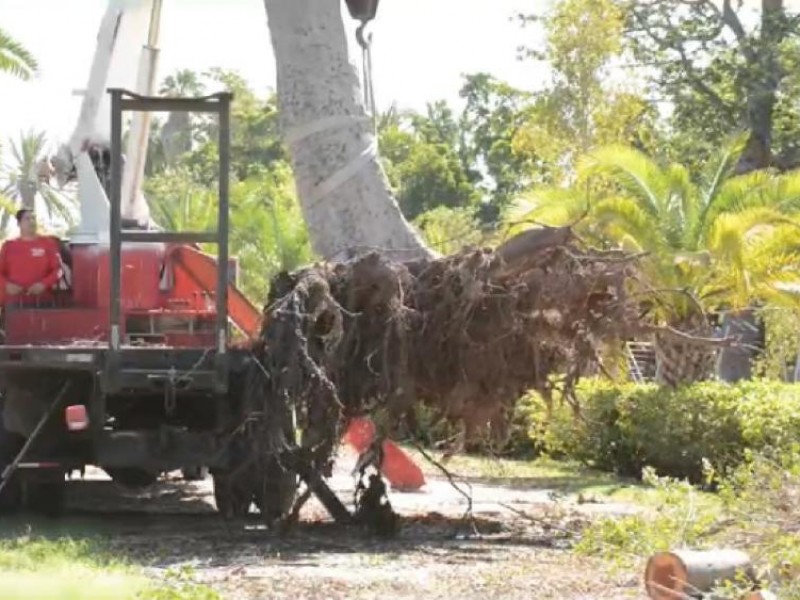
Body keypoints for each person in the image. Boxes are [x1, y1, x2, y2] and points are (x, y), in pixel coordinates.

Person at [0, 209, 62, 306]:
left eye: (34, 218)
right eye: (27, 219)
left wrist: (44, 284)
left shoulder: (48, 243)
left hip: (42, 301)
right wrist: (6, 285)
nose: (31, 221)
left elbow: (58, 270)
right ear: (19, 223)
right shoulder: (8, 246)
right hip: (13, 303)